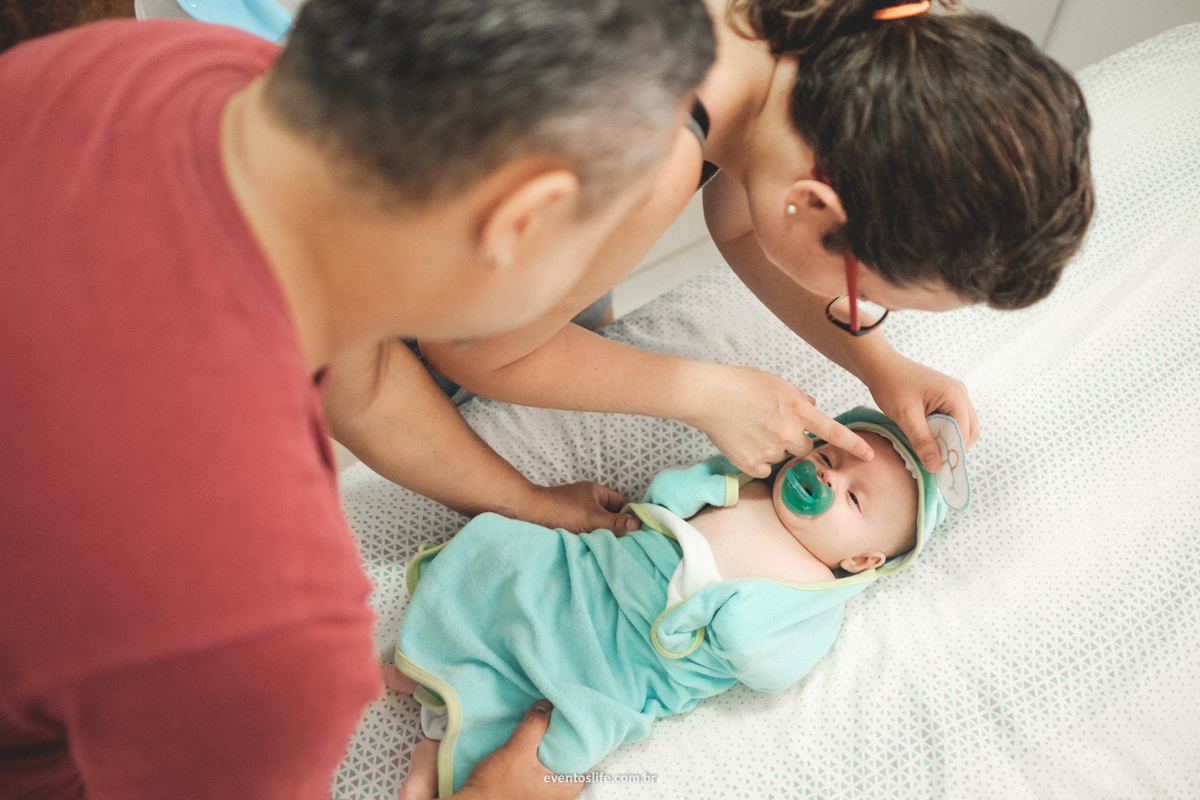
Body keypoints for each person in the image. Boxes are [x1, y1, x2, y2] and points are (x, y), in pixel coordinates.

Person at [0, 0, 716, 797]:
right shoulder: (262, 623)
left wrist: (525, 501)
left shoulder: (156, 71)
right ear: (523, 219)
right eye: (598, 242)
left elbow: (363, 381)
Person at [326, 0, 1093, 536]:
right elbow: (473, 350)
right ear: (815, 204)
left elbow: (744, 219)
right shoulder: (639, 153)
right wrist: (704, 392)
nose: (853, 313)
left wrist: (877, 363)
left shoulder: (829, 46)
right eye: (863, 299)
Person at [384, 407, 970, 798]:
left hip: (630, 662)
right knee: (510, 555)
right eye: (832, 458)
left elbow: (770, 669)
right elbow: (667, 496)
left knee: (567, 743)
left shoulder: (813, 598)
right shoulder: (746, 484)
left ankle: (442, 753)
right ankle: (441, 651)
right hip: (595, 578)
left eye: (855, 500)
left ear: (863, 561)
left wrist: (737, 620)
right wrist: (707, 485)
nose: (827, 478)